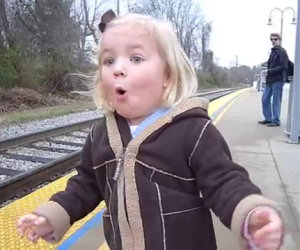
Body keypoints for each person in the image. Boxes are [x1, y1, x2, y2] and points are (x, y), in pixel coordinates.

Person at [17, 12, 284, 250]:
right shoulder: (100, 134)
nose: (118, 68)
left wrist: (250, 214)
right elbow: (85, 185)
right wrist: (52, 215)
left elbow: (225, 182)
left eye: (135, 58)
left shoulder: (193, 130)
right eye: (108, 61)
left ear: (167, 77)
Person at [258, 33, 289, 127]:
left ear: (279, 40)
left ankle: (276, 120)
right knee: (265, 99)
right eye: (271, 39)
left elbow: (283, 66)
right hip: (270, 79)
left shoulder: (282, 52)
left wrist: (269, 71)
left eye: (275, 39)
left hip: (278, 79)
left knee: (276, 100)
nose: (273, 41)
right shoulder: (273, 52)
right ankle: (268, 118)